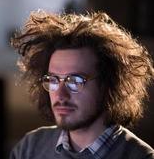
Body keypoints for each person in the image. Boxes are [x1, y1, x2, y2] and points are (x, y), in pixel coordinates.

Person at [10, 10, 154, 159]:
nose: (60, 94)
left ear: (108, 85)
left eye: (74, 81)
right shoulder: (30, 147)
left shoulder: (141, 157)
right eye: (53, 80)